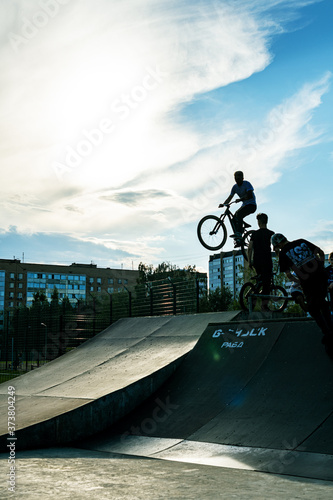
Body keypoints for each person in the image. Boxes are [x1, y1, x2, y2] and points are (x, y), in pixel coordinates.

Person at [272, 233, 333, 358]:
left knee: (313, 308)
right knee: (322, 303)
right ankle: (330, 330)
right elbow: (321, 253)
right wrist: (320, 267)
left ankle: (328, 334)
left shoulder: (283, 253)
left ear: (278, 245)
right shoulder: (301, 241)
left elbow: (288, 275)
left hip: (308, 282)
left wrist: (300, 281)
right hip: (321, 276)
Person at [219, 171, 257, 246]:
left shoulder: (247, 184)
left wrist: (240, 199)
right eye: (236, 177)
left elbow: (250, 195)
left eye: (239, 177)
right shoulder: (234, 187)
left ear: (243, 178)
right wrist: (223, 204)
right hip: (244, 205)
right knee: (234, 219)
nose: (237, 179)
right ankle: (239, 240)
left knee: (239, 214)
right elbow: (230, 197)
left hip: (251, 205)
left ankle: (239, 233)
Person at [247, 213, 274, 310]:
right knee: (266, 283)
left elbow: (250, 248)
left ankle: (252, 302)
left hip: (257, 262)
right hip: (267, 261)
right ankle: (264, 305)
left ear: (258, 222)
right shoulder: (271, 233)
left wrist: (250, 261)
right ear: (266, 221)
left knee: (260, 281)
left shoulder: (254, 234)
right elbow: (276, 248)